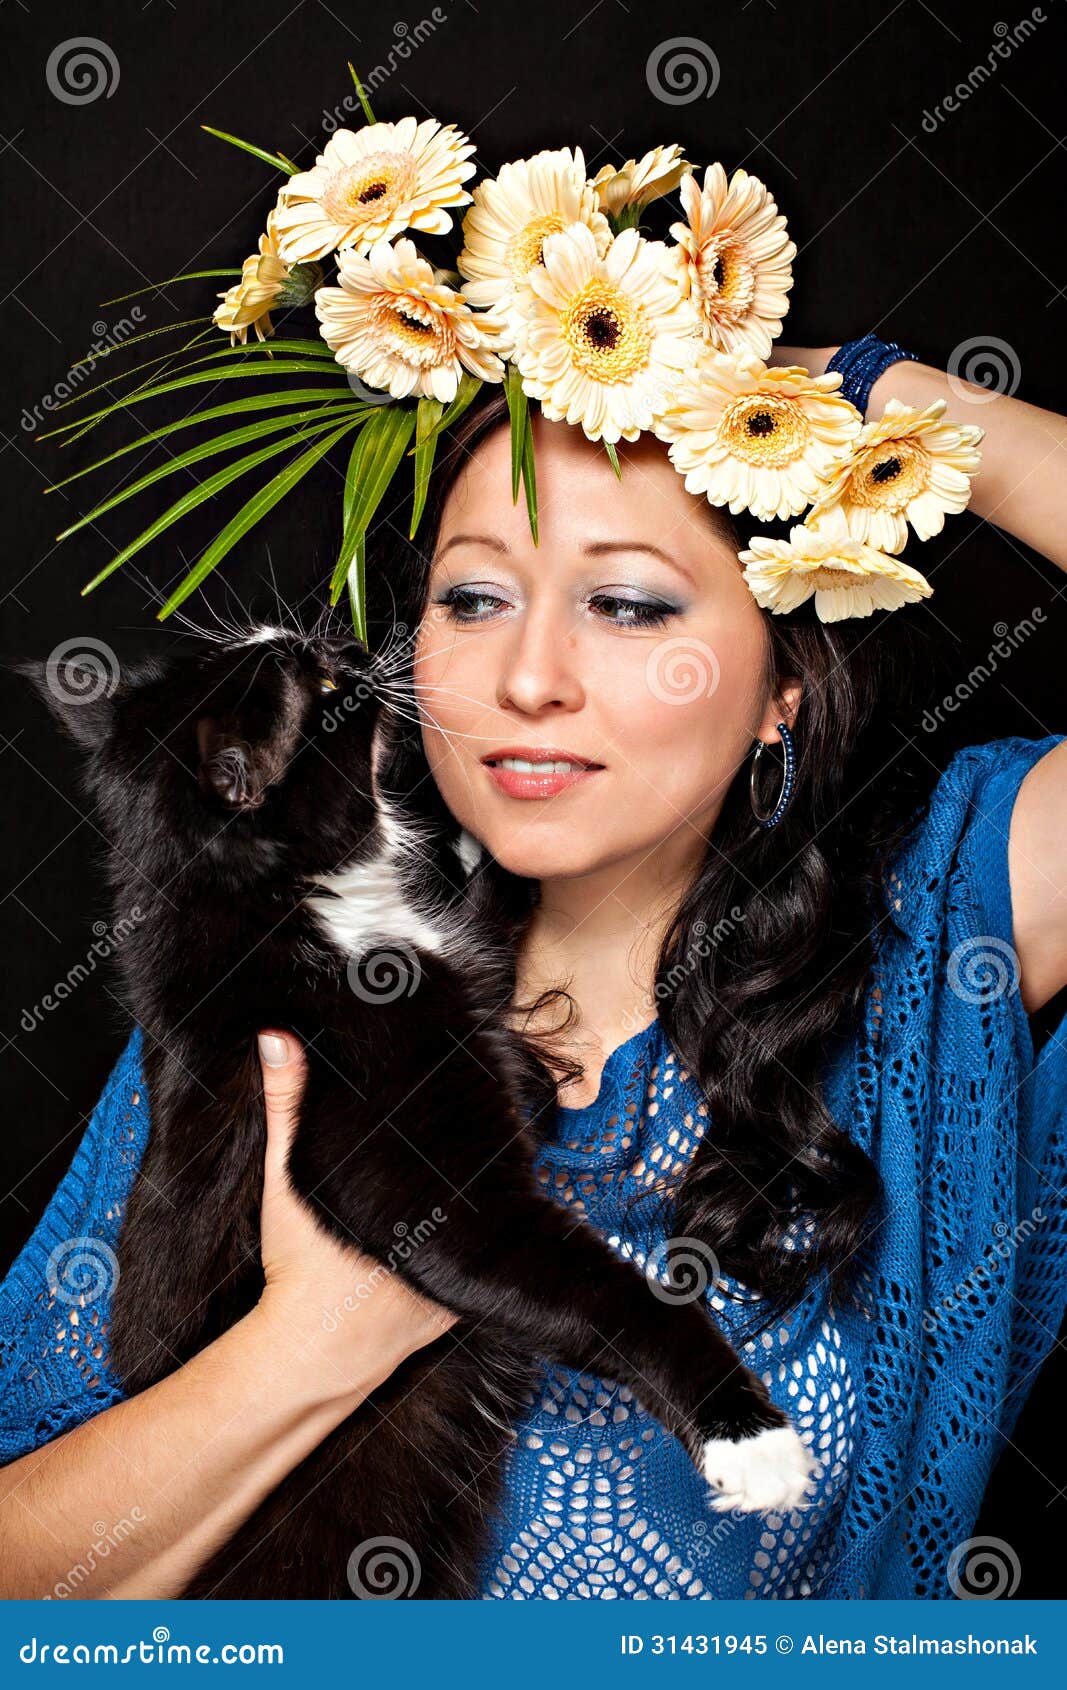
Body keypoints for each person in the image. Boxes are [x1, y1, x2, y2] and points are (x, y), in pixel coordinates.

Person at [1, 339, 1065, 1602]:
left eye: (626, 605)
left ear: (784, 680)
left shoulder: (946, 923)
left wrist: (876, 394)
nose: (525, 681)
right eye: (471, 598)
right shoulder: (280, 993)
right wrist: (312, 1342)